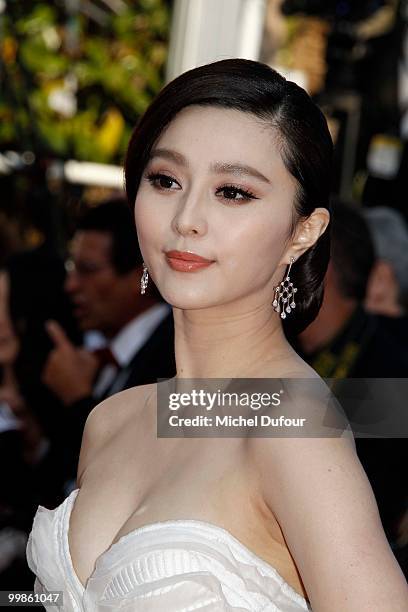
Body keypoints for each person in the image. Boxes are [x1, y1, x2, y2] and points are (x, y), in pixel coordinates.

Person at [27, 59, 408, 611]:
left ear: (304, 232)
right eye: (165, 180)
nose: (187, 217)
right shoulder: (113, 421)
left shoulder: (293, 428)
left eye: (232, 192)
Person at [42, 199, 176, 476]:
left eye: (88, 270)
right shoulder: (97, 354)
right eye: (72, 268)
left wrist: (77, 399)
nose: (72, 285)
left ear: (142, 273)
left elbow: (137, 470)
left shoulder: (177, 355)